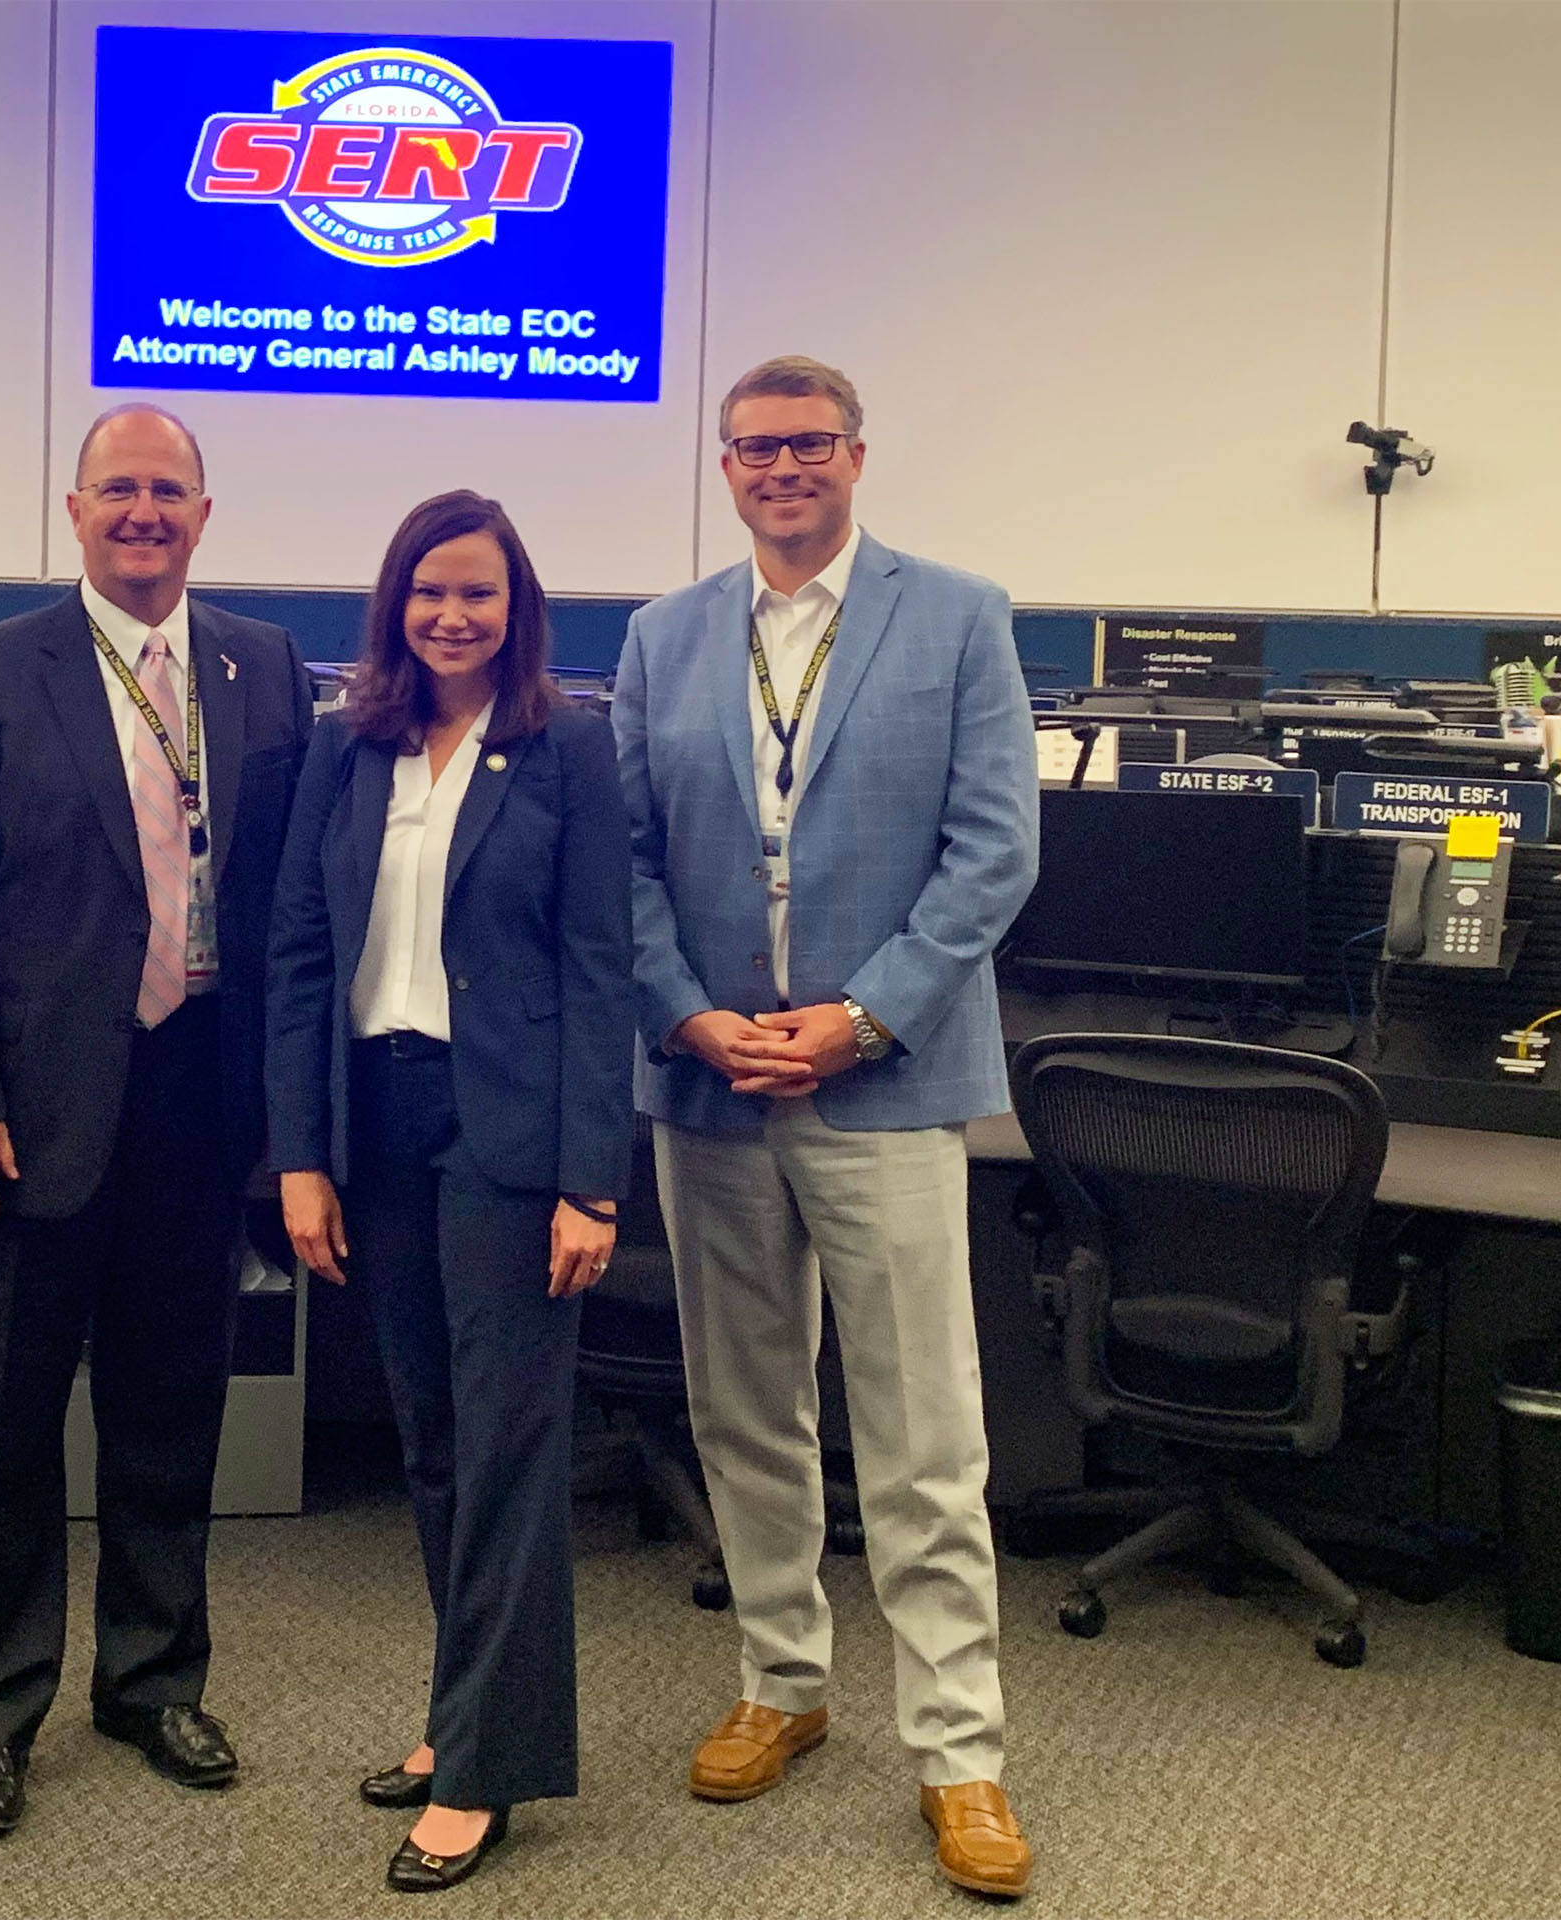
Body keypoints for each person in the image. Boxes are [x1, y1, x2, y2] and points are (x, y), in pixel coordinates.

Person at [613, 358, 1041, 1897]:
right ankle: (779, 1684)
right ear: (723, 469)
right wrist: (687, 1015)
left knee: (923, 1435)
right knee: (744, 1409)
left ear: (856, 455)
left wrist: (860, 1017)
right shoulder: (664, 636)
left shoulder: (958, 616)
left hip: (883, 1077)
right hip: (715, 1083)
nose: (780, 469)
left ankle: (960, 1753)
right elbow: (631, 863)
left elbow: (993, 853)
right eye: (753, 450)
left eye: (806, 446)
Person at [0, 403, 313, 1837]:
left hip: (196, 1102)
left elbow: (279, 900)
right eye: (118, 489)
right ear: (72, 510)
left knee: (168, 1410)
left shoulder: (259, 665)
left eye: (168, 491)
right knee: (2, 1427)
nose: (143, 511)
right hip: (25, 1117)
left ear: (205, 513)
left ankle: (151, 1682)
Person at [269, 491, 634, 1894]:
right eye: (428, 591)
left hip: (511, 1136)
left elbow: (599, 971)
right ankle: (457, 1711)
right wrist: (300, 1152)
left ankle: (487, 1764)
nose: (451, 615)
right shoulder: (345, 747)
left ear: (515, 608)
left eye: (478, 593)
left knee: (506, 1451)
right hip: (377, 1117)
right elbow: (303, 951)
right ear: (393, 604)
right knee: (427, 1436)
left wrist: (587, 1183)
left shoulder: (567, 752)